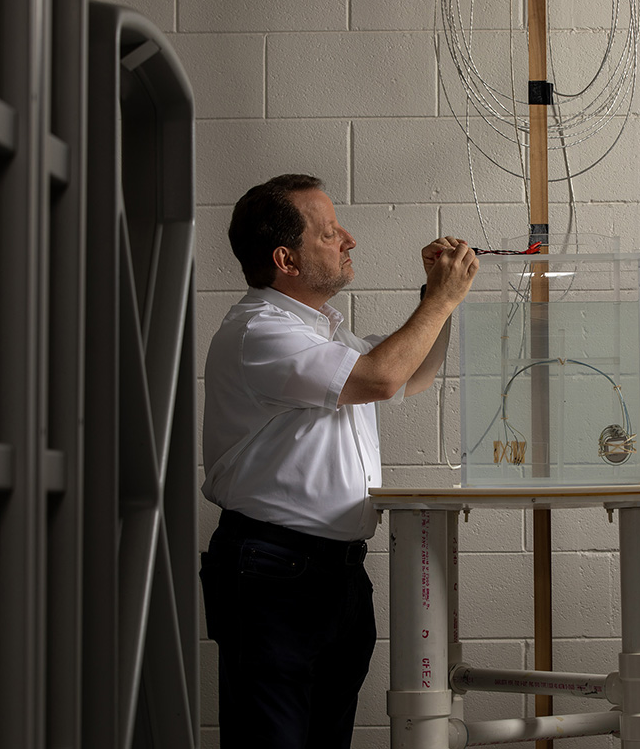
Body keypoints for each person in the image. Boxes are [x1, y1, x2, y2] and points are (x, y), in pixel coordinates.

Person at [198, 173, 478, 748]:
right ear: (286, 259)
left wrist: (436, 300)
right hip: (273, 572)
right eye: (328, 233)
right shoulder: (259, 331)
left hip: (334, 572)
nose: (347, 239)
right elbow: (382, 377)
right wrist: (442, 299)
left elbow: (411, 374)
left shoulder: (324, 336)